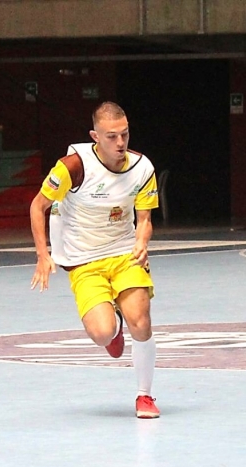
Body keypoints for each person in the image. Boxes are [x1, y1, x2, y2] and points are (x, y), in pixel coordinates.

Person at [29, 101, 160, 419]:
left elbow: (144, 219)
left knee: (141, 322)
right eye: (112, 136)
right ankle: (113, 330)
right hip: (84, 259)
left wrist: (142, 241)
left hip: (123, 253)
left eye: (125, 135)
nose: (120, 143)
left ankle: (145, 396)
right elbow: (38, 207)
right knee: (101, 333)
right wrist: (43, 255)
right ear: (94, 136)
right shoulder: (73, 167)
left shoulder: (142, 168)